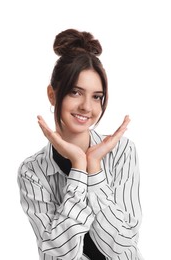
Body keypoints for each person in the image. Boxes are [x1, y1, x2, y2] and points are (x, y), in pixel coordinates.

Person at [17, 29, 143, 260]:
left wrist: (93, 167)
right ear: (53, 95)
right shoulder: (32, 171)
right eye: (76, 92)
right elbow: (58, 251)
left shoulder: (122, 151)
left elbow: (122, 244)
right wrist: (78, 167)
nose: (87, 107)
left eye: (97, 96)